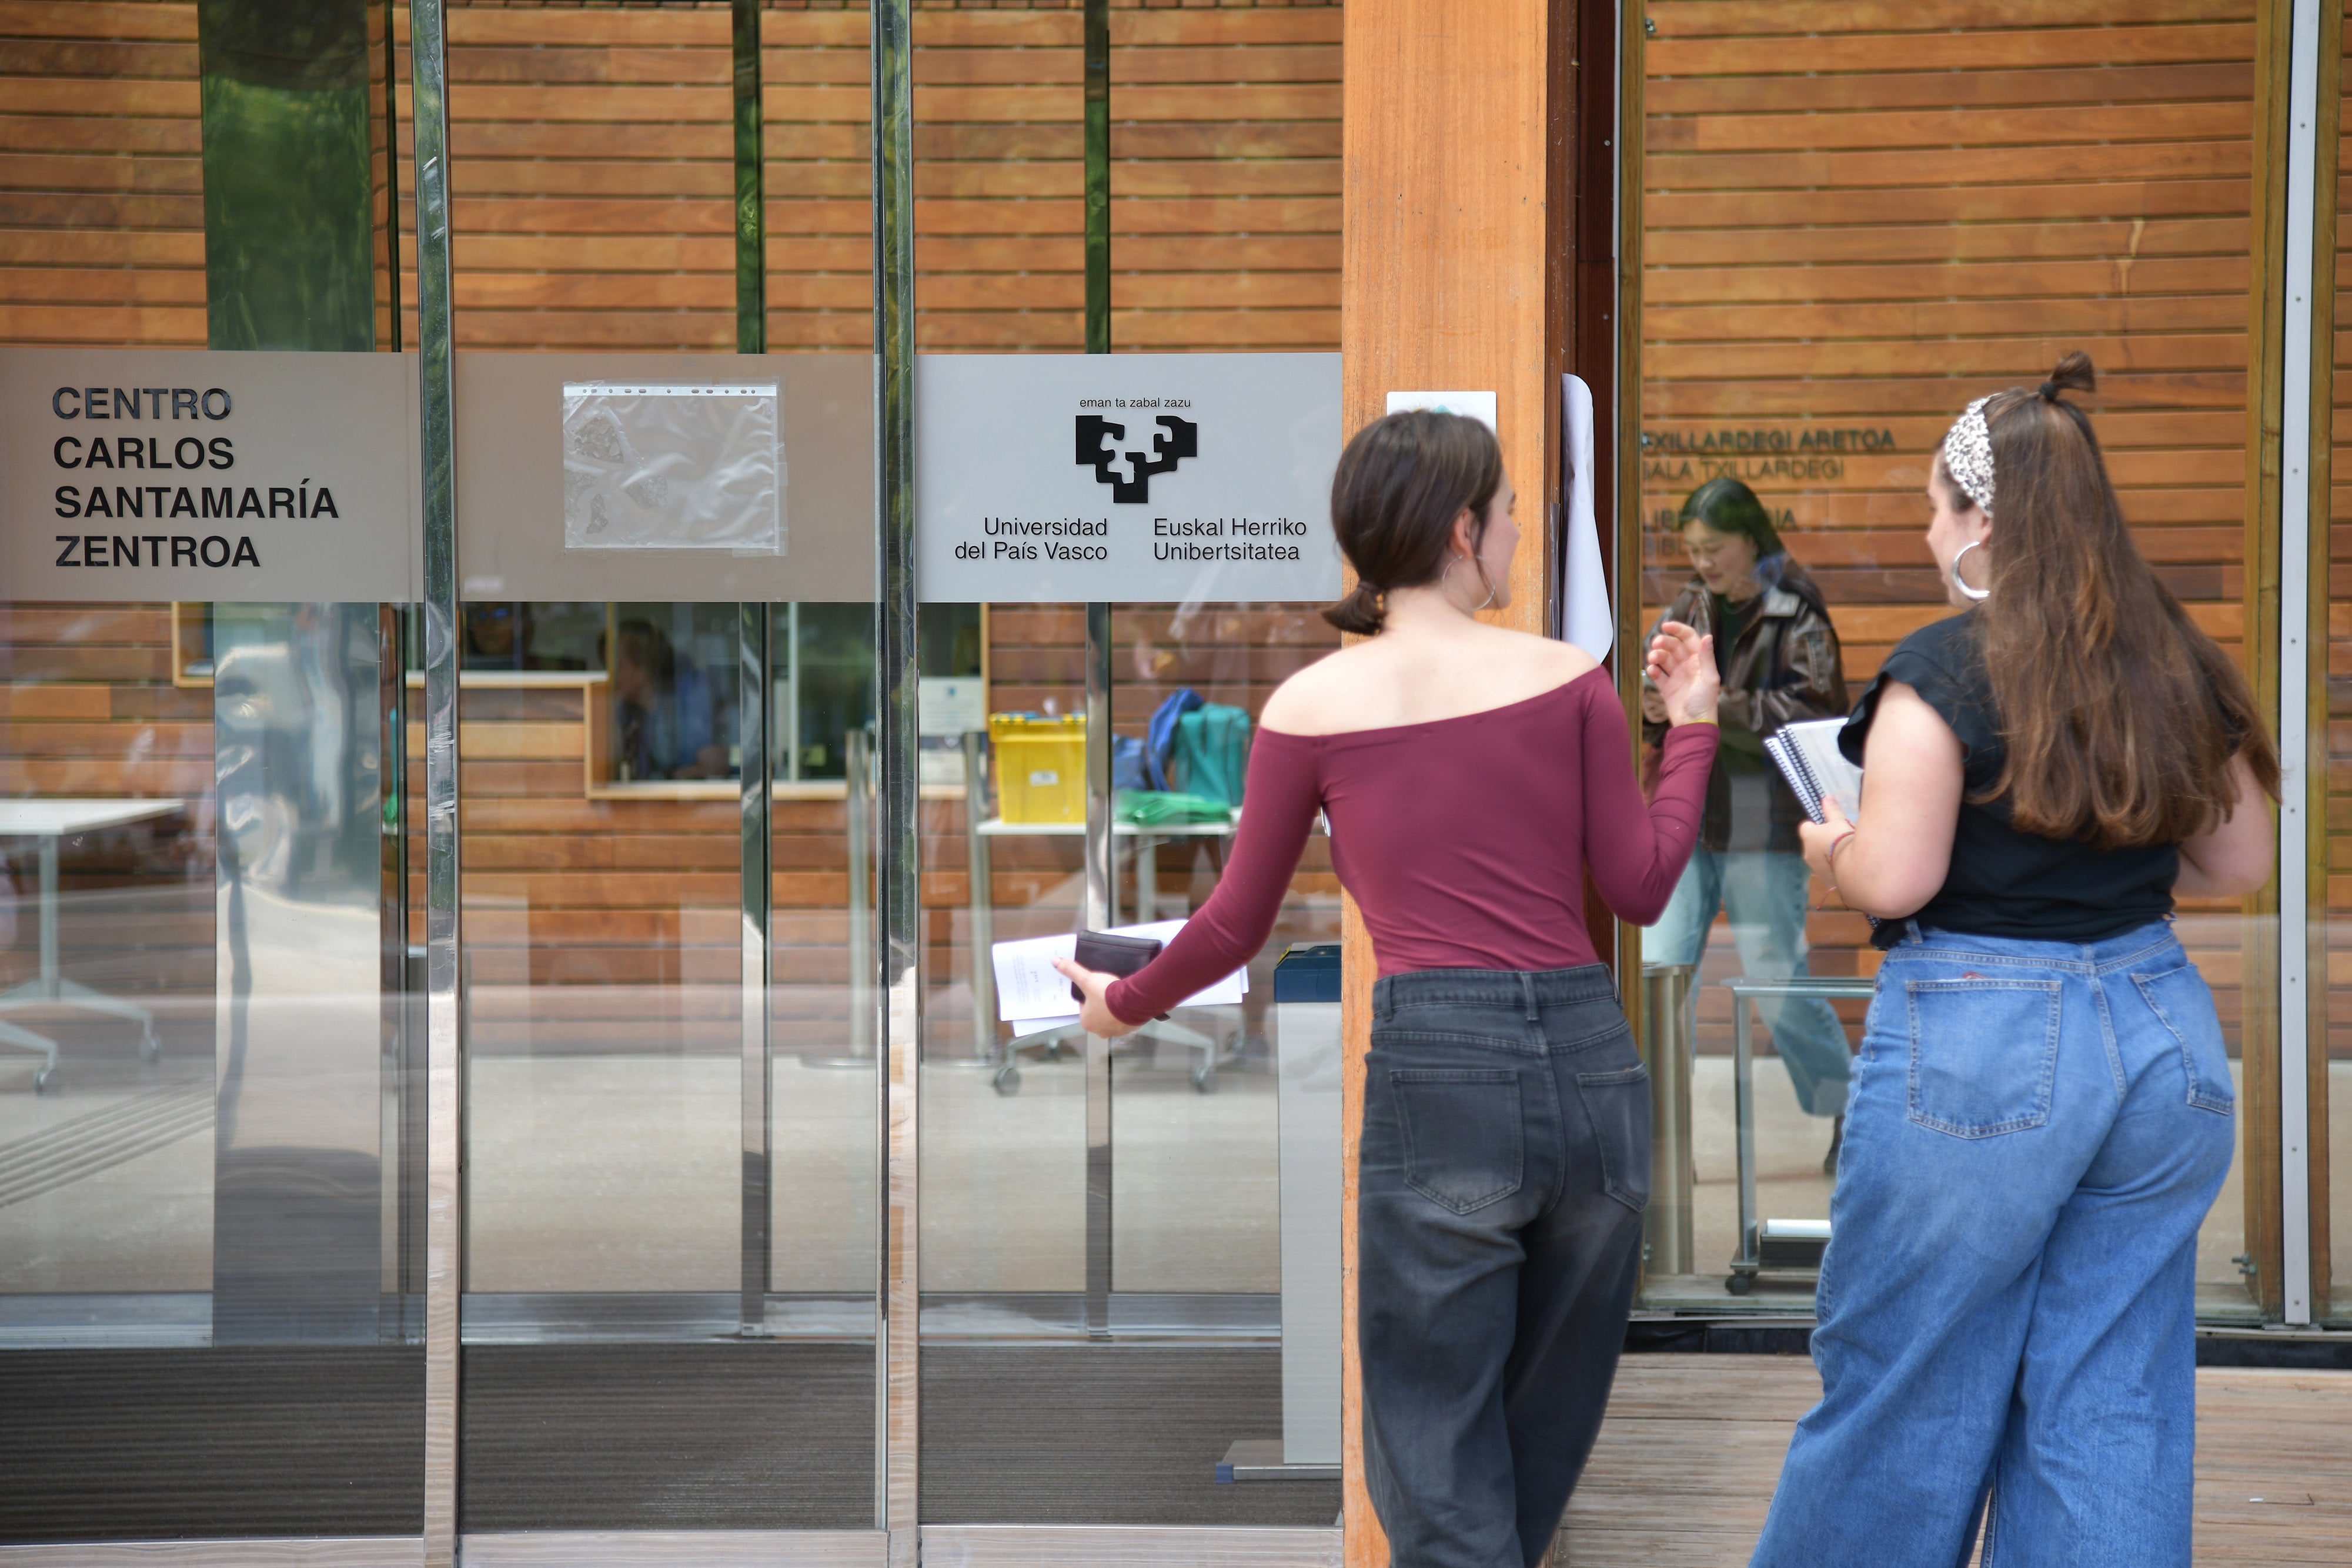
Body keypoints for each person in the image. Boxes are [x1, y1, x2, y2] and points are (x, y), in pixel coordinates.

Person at [1054, 409, 1723, 1568]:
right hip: (1588, 1067)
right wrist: (1695, 732)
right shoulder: (1570, 680)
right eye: (1510, 511)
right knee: (1529, 1443)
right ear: (1463, 529)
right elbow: (1640, 883)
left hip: (1441, 1072)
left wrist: (1121, 1003)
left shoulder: (1310, 707)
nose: (1520, 530)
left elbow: (1229, 926)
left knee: (1435, 1450)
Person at [1750, 354, 2277, 1568]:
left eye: (1936, 507)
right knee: (2111, 1389)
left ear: (1982, 519)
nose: (1930, 531)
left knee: (1904, 1375)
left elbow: (1892, 878)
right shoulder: (2167, 657)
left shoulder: (1942, 668)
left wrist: (1832, 843)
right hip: (2159, 1028)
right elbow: (2237, 856)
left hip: (1979, 1037)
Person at [1640, 476, 1855, 1168]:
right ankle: (1660, 1137)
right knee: (1658, 978)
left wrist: (1711, 708)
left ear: (1750, 539)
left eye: (1716, 548)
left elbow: (1816, 716)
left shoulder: (1796, 610)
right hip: (1685, 816)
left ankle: (1847, 1112)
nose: (1703, 563)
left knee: (1778, 990)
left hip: (1761, 822)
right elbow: (1655, 689)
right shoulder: (1687, 603)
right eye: (1693, 550)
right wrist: (1653, 703)